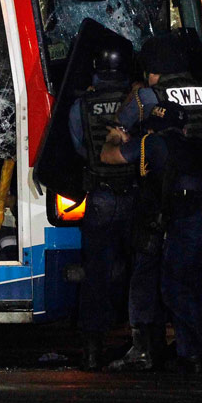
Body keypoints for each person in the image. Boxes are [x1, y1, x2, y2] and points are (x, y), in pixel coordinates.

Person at [109, 33, 202, 372]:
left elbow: (119, 129)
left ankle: (176, 347)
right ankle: (196, 352)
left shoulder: (150, 95)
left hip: (171, 196)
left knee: (168, 277)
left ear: (153, 70)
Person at [67, 39, 136, 370]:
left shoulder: (81, 105)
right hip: (136, 194)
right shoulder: (137, 100)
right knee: (139, 270)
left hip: (101, 197)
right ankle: (139, 344)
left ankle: (93, 348)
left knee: (95, 273)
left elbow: (80, 148)